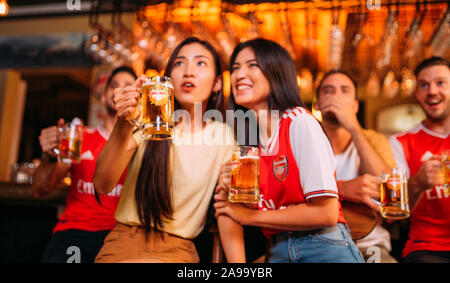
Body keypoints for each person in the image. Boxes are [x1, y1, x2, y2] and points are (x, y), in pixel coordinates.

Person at [214, 38, 364, 263]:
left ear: (277, 73)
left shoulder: (299, 122)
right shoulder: (246, 144)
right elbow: (226, 209)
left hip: (323, 245)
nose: (239, 74)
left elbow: (327, 213)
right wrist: (228, 190)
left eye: (252, 65)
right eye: (235, 68)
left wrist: (251, 216)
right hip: (277, 249)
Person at [93, 37, 234, 263]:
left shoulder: (223, 136)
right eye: (179, 63)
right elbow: (102, 184)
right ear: (168, 79)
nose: (188, 71)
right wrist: (124, 122)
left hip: (179, 250)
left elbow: (228, 206)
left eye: (200, 63)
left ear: (217, 83)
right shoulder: (150, 119)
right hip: (124, 242)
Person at [32, 66, 137, 263]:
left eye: (128, 87)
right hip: (74, 232)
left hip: (120, 235)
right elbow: (40, 189)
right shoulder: (79, 138)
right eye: (115, 86)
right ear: (104, 97)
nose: (122, 90)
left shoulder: (142, 143)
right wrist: (50, 155)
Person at [314, 70, 397, 263]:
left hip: (369, 245)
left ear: (355, 105)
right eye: (328, 91)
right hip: (316, 243)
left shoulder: (374, 139)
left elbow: (391, 196)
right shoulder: (305, 140)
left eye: (344, 91)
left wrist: (354, 128)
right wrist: (341, 188)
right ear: (317, 104)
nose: (336, 96)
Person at [389, 56, 450, 263]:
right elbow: (394, 213)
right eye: (424, 85)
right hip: (427, 248)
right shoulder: (401, 141)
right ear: (417, 94)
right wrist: (418, 183)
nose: (432, 91)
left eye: (441, 83)